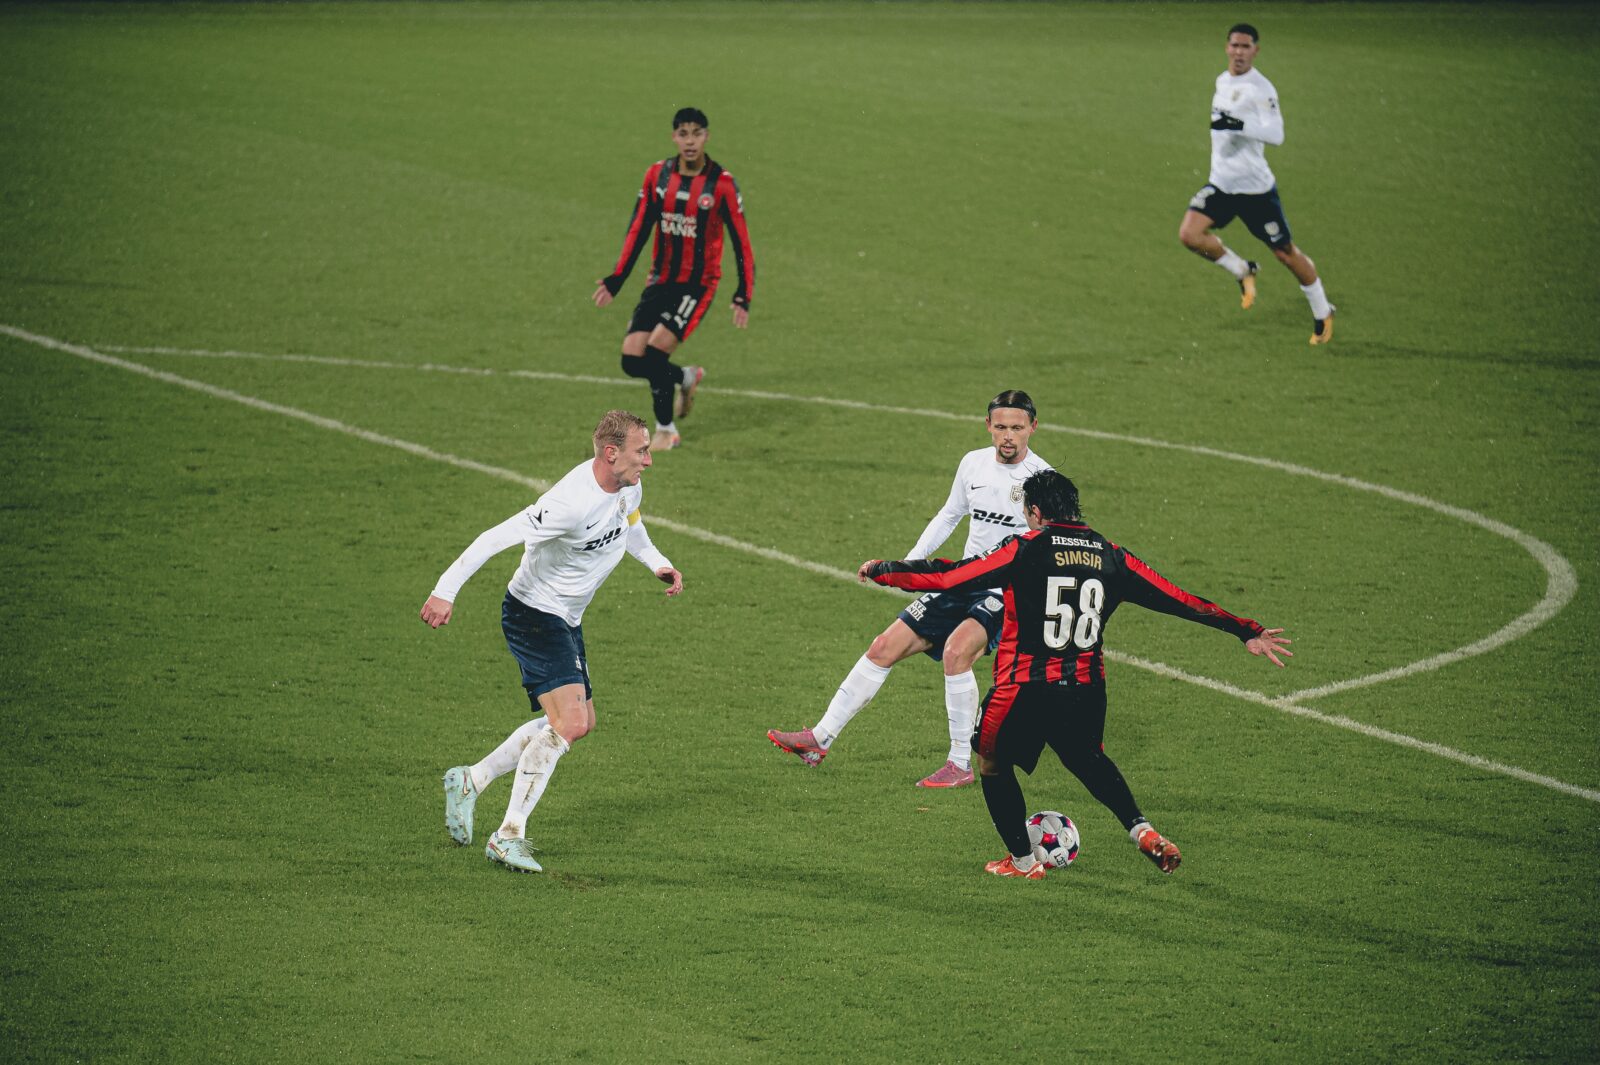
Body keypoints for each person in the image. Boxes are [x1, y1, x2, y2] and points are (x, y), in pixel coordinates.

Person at [862, 469, 1292, 878]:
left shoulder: (1024, 548)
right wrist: (1244, 629)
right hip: (1086, 688)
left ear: (1035, 511)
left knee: (992, 763)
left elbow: (950, 576)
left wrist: (886, 570)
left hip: (1023, 686)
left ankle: (1023, 861)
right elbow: (1180, 599)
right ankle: (1141, 828)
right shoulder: (1112, 555)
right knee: (1087, 758)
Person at [418, 410, 684, 874]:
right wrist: (445, 591)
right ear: (611, 453)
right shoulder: (569, 503)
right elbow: (494, 537)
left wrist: (657, 562)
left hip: (566, 618)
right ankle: (508, 835)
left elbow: (632, 526)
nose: (649, 460)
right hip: (534, 614)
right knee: (570, 722)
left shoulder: (628, 486)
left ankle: (471, 780)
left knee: (580, 722)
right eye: (641, 451)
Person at [767, 390, 1054, 788]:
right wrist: (908, 565)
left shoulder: (1042, 480)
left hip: (1003, 592)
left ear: (1033, 427)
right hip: (961, 579)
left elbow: (1051, 548)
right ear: (988, 425)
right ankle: (820, 739)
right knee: (883, 647)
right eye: (1001, 427)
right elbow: (949, 516)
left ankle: (959, 764)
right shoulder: (973, 464)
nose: (1008, 436)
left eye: (1017, 428)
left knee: (956, 652)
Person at [593, 106, 756, 451]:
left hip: (697, 285)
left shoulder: (722, 184)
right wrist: (617, 278)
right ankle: (685, 376)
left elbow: (741, 241)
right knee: (631, 360)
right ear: (674, 137)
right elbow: (638, 228)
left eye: (696, 134)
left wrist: (744, 292)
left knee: (654, 355)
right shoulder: (657, 176)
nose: (690, 141)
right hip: (661, 280)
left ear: (706, 136)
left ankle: (666, 430)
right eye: (683, 134)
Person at [1178, 22, 1336, 346]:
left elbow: (1276, 135)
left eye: (1245, 47)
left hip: (1255, 191)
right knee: (1189, 235)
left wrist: (1239, 124)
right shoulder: (1222, 81)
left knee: (1286, 254)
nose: (1239, 52)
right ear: (1227, 47)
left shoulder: (1262, 89)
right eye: (1235, 45)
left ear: (1256, 50)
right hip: (1221, 185)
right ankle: (1242, 270)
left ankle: (1322, 312)